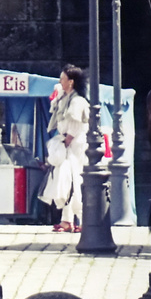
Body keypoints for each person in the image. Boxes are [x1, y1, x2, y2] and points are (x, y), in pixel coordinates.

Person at [39, 65, 90, 233]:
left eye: (62, 79)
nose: (60, 81)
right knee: (65, 181)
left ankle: (81, 220)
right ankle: (67, 220)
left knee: (74, 180)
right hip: (66, 143)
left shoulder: (77, 101)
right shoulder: (64, 99)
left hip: (73, 145)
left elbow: (75, 126)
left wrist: (65, 143)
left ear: (71, 82)